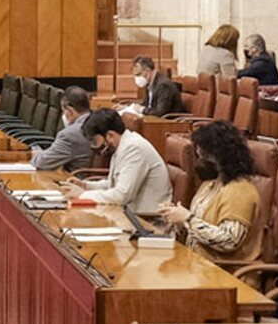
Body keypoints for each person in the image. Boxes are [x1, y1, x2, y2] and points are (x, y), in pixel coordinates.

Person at [158, 121, 263, 264]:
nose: (200, 161)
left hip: (224, 271)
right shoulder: (209, 185)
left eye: (204, 156)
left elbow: (229, 241)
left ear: (221, 157)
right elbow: (198, 228)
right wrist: (176, 217)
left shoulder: (239, 191)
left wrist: (187, 219)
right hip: (195, 263)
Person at [69, 108, 173, 211]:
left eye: (95, 141)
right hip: (130, 214)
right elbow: (113, 184)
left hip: (147, 220)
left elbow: (121, 195)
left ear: (110, 135)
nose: (94, 146)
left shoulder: (134, 149)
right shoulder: (121, 145)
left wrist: (83, 195)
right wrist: (85, 185)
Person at [31, 86, 93, 171]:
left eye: (63, 111)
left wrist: (37, 154)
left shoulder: (70, 135)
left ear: (69, 111)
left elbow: (42, 163)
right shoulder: (101, 121)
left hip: (76, 181)